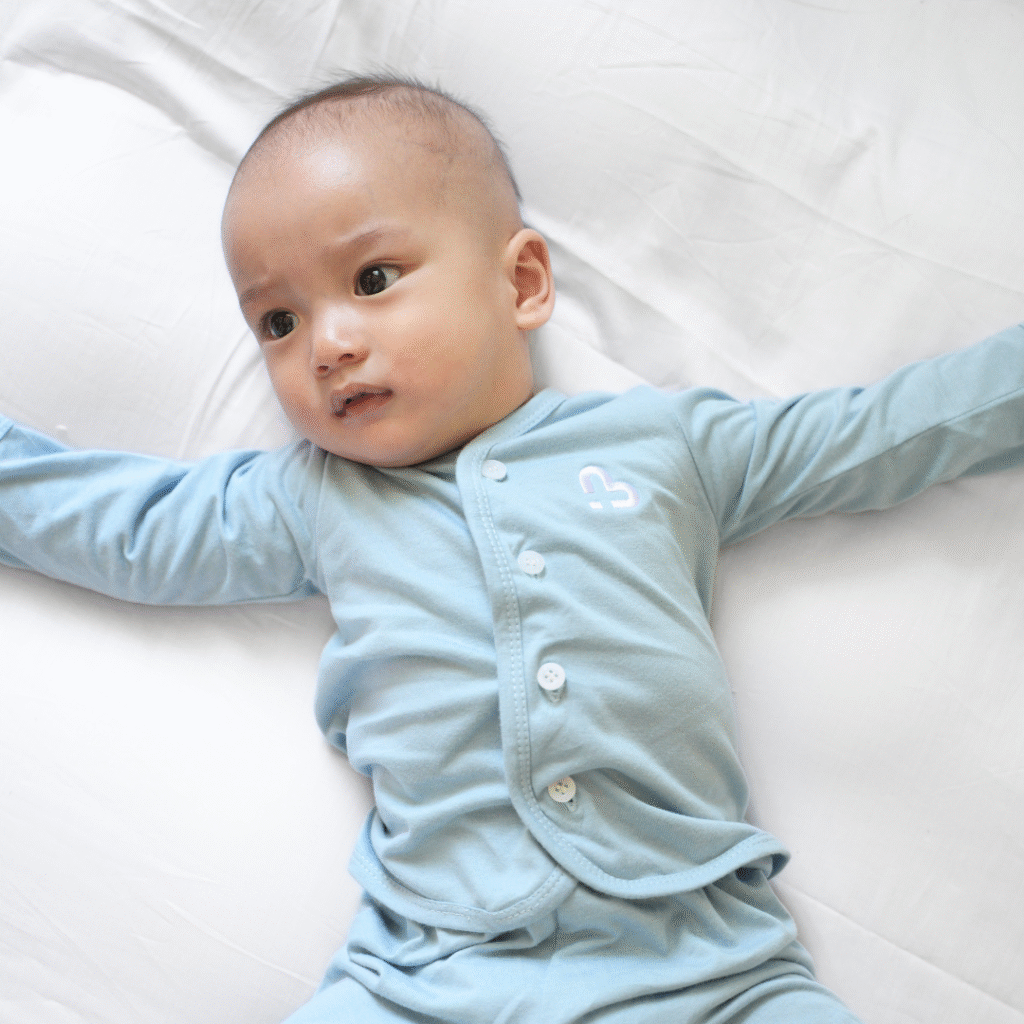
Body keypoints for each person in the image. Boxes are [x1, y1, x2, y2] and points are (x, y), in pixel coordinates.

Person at [2, 73, 1023, 1024]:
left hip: (707, 963)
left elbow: (879, 433)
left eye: (372, 277)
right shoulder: (312, 496)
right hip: (429, 972)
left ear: (523, 282)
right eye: (277, 321)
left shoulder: (661, 445)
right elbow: (127, 526)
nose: (327, 344)